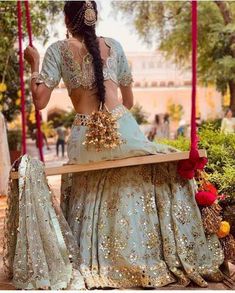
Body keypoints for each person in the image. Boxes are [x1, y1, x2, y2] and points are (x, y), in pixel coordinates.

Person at [19, 1, 224, 289]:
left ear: (67, 20)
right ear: (95, 19)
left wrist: (34, 66)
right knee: (157, 157)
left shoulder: (57, 50)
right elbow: (128, 102)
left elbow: (40, 102)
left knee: (94, 167)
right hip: (123, 133)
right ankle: (145, 251)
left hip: (86, 140)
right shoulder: (114, 46)